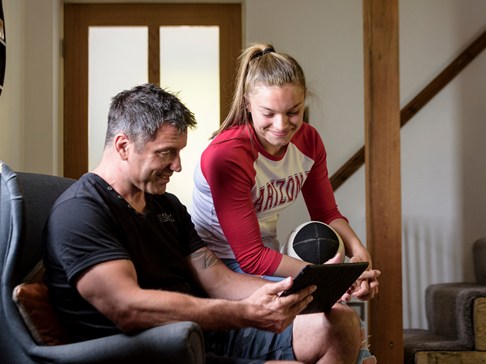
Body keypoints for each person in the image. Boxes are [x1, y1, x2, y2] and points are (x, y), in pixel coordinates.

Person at [43, 83, 365, 364]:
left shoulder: (166, 206)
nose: (178, 166)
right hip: (152, 353)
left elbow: (218, 281)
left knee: (340, 326)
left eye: (179, 153)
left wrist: (300, 295)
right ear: (123, 146)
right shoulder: (81, 213)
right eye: (166, 153)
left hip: (205, 336)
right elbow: (130, 308)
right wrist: (244, 314)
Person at [191, 43, 380, 363]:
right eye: (269, 114)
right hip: (221, 267)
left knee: (338, 317)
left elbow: (327, 213)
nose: (281, 126)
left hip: (269, 255)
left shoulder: (309, 141)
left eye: (293, 112)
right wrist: (328, 277)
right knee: (337, 318)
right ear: (249, 105)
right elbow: (249, 258)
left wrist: (358, 254)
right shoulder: (227, 156)